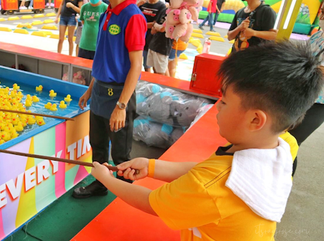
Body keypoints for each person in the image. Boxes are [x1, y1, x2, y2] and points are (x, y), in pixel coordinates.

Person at [90, 41, 324, 239]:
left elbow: (153, 202)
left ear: (255, 120)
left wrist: (106, 179)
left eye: (224, 102)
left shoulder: (211, 187)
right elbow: (209, 171)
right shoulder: (284, 145)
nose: (216, 108)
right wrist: (151, 166)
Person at [72, 0, 146, 198]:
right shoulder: (107, 13)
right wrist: (89, 90)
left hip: (119, 95)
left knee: (121, 153)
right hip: (99, 92)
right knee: (98, 144)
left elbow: (136, 65)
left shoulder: (133, 16)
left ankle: (125, 196)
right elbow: (102, 58)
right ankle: (100, 184)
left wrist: (121, 106)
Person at [288, 4, 324, 176]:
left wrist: (305, 66)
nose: (322, 16)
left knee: (291, 141)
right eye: (322, 12)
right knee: (280, 138)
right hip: (300, 93)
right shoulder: (318, 35)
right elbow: (300, 55)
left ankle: (282, 185)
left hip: (319, 102)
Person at [137, 0, 166, 72]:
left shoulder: (161, 6)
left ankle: (150, 81)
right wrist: (137, 5)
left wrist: (139, 25)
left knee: (150, 65)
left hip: (152, 39)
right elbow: (135, 17)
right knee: (137, 62)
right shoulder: (142, 4)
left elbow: (156, 24)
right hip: (139, 37)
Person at [146, 7, 173, 75]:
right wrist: (155, 26)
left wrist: (156, 26)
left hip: (163, 46)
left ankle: (165, 85)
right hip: (154, 44)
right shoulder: (164, 9)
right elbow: (154, 28)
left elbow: (162, 28)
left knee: (161, 71)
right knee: (155, 68)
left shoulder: (175, 13)